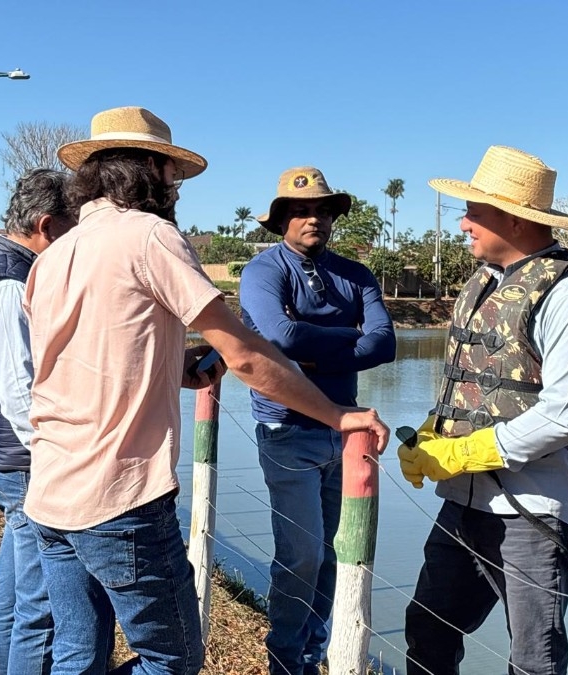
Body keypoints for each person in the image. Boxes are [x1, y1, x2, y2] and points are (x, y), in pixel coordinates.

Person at [21, 107, 390, 675]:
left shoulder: (54, 257)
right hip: (118, 494)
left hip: (50, 487)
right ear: (149, 169)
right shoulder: (150, 236)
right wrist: (339, 416)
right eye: (173, 174)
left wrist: (171, 365)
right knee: (171, 660)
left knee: (78, 654)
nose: (176, 188)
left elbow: (79, 359)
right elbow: (247, 355)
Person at [398, 146, 568, 675]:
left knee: (533, 659)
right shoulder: (484, 283)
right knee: (427, 632)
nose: (463, 224)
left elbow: (565, 414)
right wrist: (434, 433)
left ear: (516, 219)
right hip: (463, 504)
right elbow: (471, 386)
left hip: (532, 511)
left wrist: (467, 452)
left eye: (474, 212)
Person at [239, 166, 397, 675]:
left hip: (345, 433)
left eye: (323, 211)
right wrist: (350, 340)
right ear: (281, 219)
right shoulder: (264, 272)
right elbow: (279, 336)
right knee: (301, 554)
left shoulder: (356, 274)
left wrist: (310, 351)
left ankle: (310, 654)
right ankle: (284, 658)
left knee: (330, 556)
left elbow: (385, 344)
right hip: (287, 430)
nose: (314, 219)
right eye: (301, 211)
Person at [0, 169, 77, 674]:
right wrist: (57, 456)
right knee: (40, 609)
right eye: (72, 230)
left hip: (19, 459)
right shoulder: (9, 284)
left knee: (13, 599)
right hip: (30, 462)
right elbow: (18, 392)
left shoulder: (11, 270)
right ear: (47, 226)